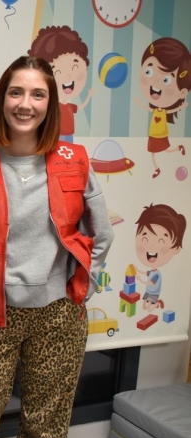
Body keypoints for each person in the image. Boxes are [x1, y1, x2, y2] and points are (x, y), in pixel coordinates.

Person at [0, 56, 115, 438]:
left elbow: (103, 234)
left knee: (44, 430)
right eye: (16, 92)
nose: (26, 103)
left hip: (58, 316)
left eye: (38, 94)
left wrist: (80, 290)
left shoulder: (76, 161)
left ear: (50, 104)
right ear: (2, 99)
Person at [133, 37, 190, 178]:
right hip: (154, 133)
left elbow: (170, 110)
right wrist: (139, 103)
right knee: (155, 151)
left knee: (163, 150)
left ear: (182, 92)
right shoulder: (157, 109)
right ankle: (157, 167)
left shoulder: (163, 110)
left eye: (166, 80)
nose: (156, 82)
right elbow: (148, 109)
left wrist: (181, 106)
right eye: (149, 72)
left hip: (160, 133)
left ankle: (176, 151)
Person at [28, 25, 95, 143]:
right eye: (57, 70)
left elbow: (80, 107)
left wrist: (89, 95)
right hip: (54, 134)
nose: (68, 76)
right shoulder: (50, 105)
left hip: (69, 135)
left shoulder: (69, 106)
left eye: (75, 66)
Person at [134, 203, 186, 311]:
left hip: (153, 293)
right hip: (148, 291)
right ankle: (156, 304)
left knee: (149, 309)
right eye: (145, 238)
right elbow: (146, 273)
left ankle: (157, 304)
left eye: (161, 241)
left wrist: (139, 279)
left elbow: (149, 282)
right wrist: (137, 271)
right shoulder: (152, 271)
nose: (151, 245)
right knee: (144, 307)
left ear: (176, 248)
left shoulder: (157, 275)